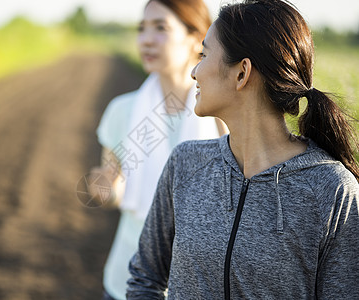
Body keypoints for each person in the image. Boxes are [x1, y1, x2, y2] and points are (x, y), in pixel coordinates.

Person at [127, 0, 359, 299]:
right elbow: (145, 278)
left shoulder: (332, 191)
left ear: (242, 73)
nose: (194, 71)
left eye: (204, 54)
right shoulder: (185, 164)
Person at [89, 0, 228, 299]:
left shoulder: (222, 112)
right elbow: (116, 193)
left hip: (200, 284)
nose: (146, 39)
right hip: (127, 278)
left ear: (196, 39)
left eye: (161, 28)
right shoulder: (121, 111)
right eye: (142, 29)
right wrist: (106, 191)